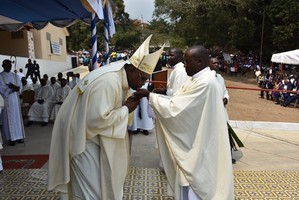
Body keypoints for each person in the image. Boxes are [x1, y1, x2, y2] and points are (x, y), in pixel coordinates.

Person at [47, 35, 164, 199]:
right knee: (91, 190)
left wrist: (124, 104)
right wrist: (125, 109)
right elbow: (96, 120)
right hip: (82, 139)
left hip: (89, 135)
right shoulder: (109, 82)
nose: (142, 84)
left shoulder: (120, 73)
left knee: (98, 186)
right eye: (142, 78)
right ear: (131, 69)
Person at [134, 45, 234, 199]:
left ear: (200, 61)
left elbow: (177, 109)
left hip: (199, 145)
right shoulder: (196, 79)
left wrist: (150, 96)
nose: (184, 65)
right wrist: (162, 95)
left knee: (196, 187)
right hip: (194, 139)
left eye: (187, 62)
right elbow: (179, 100)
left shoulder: (205, 83)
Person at [209, 56, 243, 164]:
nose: (216, 65)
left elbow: (225, 91)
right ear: (208, 64)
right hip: (211, 114)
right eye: (214, 63)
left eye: (217, 63)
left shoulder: (220, 78)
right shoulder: (206, 79)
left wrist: (225, 98)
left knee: (226, 136)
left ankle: (227, 156)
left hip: (222, 113)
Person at [0, 59, 25, 146]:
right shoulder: (1, 76)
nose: (9, 66)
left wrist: (15, 87)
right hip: (7, 101)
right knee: (8, 119)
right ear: (3, 66)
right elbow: (2, 89)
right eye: (7, 65)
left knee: (17, 119)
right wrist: (12, 88)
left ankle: (19, 136)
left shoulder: (15, 75)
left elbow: (20, 86)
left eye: (10, 65)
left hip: (15, 100)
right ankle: (11, 139)